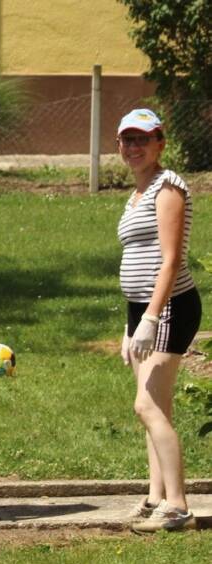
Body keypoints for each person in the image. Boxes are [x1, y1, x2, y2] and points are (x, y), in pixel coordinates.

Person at [114, 109, 202, 533]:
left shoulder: (168, 187)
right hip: (143, 311)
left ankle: (179, 507)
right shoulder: (137, 193)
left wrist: (149, 317)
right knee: (157, 407)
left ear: (160, 143)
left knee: (146, 405)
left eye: (142, 140)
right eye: (127, 140)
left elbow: (170, 261)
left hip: (168, 307)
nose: (133, 148)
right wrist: (130, 325)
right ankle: (155, 498)